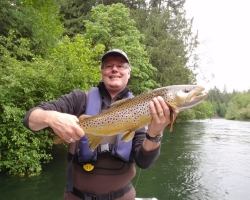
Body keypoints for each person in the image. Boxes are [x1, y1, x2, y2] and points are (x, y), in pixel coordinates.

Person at [23, 49, 178, 200]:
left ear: (129, 73)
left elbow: (144, 162)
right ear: (102, 72)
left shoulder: (143, 109)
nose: (115, 70)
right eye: (109, 66)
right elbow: (30, 119)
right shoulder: (79, 99)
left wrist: (155, 134)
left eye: (121, 66)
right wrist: (50, 117)